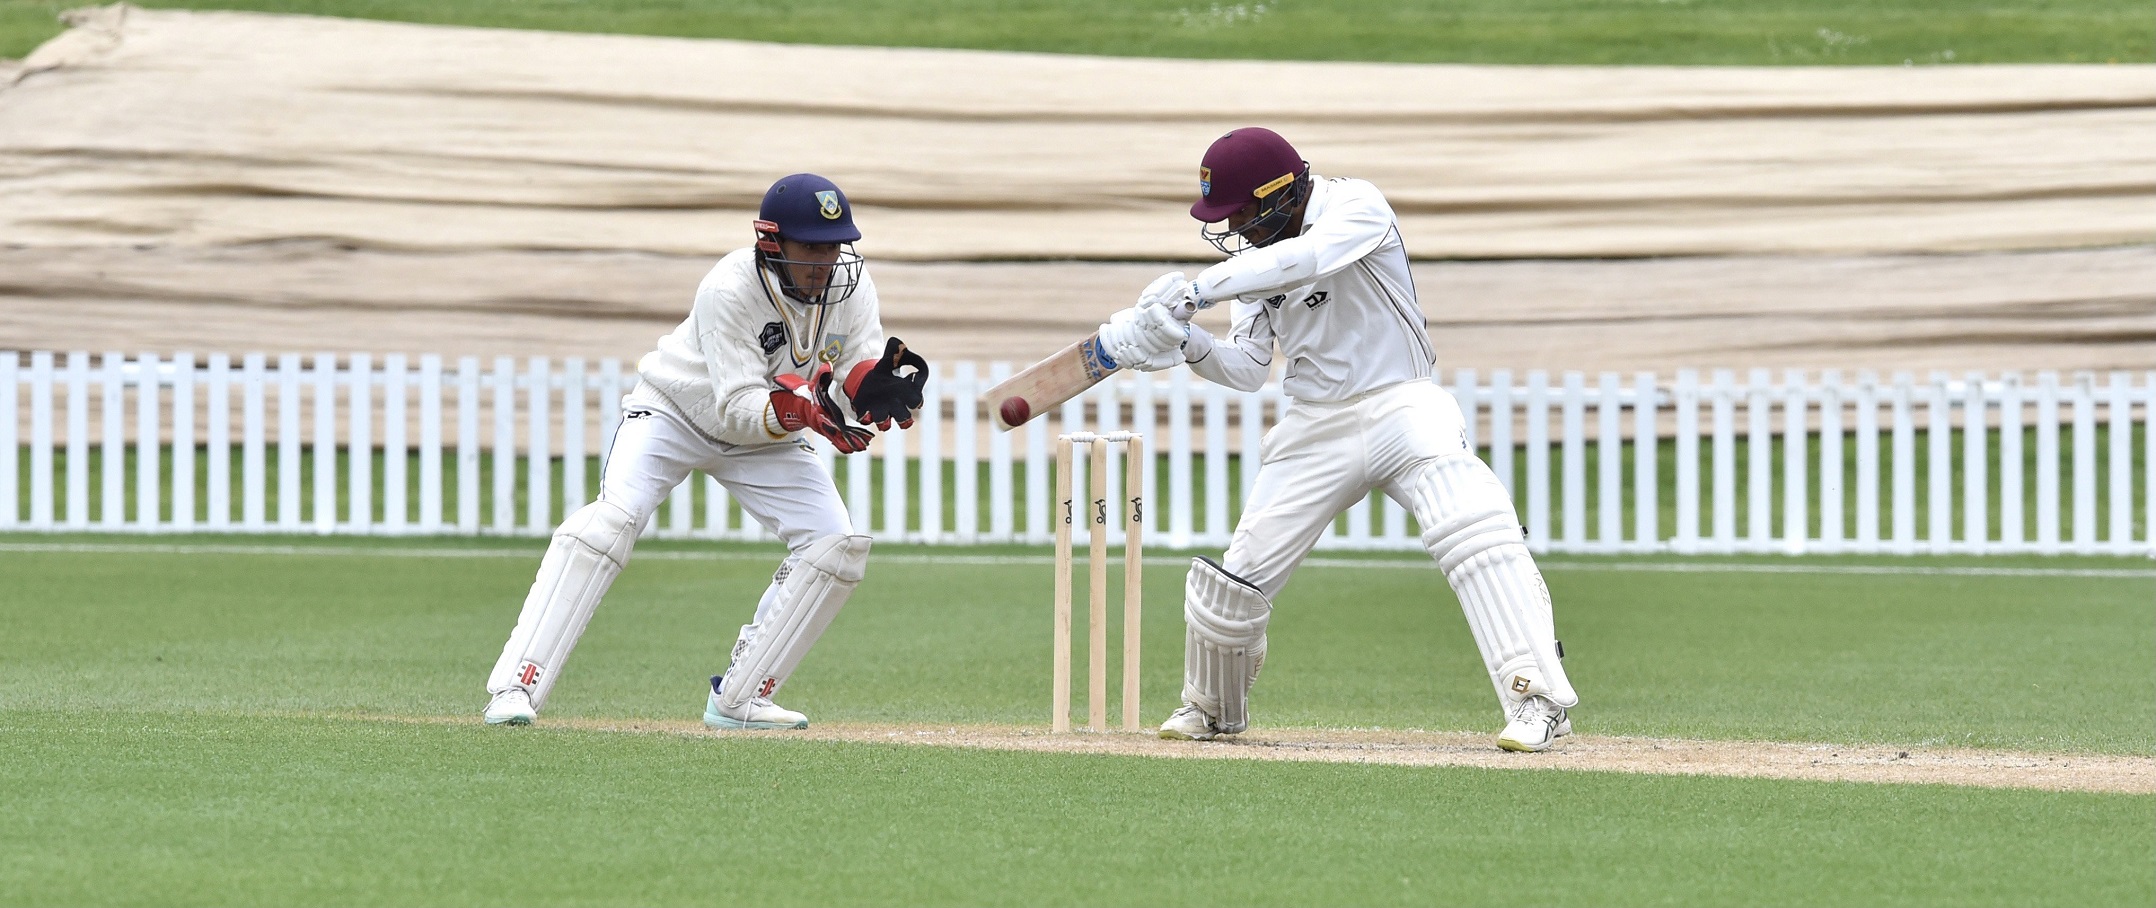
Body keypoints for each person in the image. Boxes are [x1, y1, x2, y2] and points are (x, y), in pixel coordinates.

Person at [1093, 128, 1579, 751]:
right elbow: (1244, 368)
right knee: (1236, 578)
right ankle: (1213, 708)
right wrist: (1184, 342)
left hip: (1402, 402)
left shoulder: (1356, 205)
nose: (1235, 228)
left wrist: (1195, 291)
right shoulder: (1253, 262)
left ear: (1279, 192)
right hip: (1316, 423)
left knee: (1473, 527)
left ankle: (1538, 700)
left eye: (1241, 212)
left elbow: (1306, 260)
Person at [481, 173, 928, 730]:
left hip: (764, 439)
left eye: (834, 247)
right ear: (772, 243)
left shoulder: (850, 287)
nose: (824, 262)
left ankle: (741, 699)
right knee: (609, 525)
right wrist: (808, 412)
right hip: (675, 413)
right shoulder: (730, 287)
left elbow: (853, 363)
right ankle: (515, 686)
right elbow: (738, 403)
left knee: (836, 546)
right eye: (811, 247)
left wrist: (867, 389)